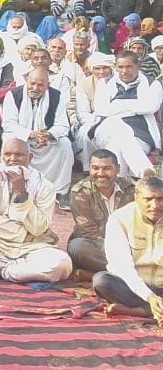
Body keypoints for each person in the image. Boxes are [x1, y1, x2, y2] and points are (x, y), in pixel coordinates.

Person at [0, 137, 73, 284]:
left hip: (33, 245)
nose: (13, 159)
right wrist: (22, 233)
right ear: (2, 157)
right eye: (8, 154)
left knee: (62, 264)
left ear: (30, 158)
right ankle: (22, 270)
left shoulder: (45, 186)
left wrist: (22, 194)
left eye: (19, 155)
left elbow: (40, 228)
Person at [1, 68, 75, 210]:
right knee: (8, 139)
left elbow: (63, 126)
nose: (35, 88)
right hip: (22, 138)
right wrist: (30, 134)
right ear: (27, 81)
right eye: (32, 83)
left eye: (40, 85)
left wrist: (48, 135)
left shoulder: (56, 96)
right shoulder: (13, 95)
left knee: (64, 144)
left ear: (47, 85)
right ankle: (12, 186)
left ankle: (61, 192)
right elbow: (8, 124)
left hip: (45, 140)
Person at [95, 176, 163, 324]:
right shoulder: (119, 219)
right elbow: (122, 267)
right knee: (102, 281)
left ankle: (139, 311)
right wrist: (150, 297)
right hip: (136, 288)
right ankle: (152, 308)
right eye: (148, 199)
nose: (155, 205)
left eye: (160, 199)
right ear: (136, 198)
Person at [89, 51, 162, 179]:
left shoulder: (153, 84)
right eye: (120, 67)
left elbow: (150, 107)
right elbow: (101, 109)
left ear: (138, 66)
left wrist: (116, 104)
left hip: (140, 132)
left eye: (128, 67)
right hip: (107, 129)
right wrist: (135, 106)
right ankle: (145, 173)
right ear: (116, 67)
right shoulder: (104, 83)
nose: (124, 71)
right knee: (120, 130)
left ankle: (119, 186)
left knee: (119, 143)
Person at [68, 149, 136, 280]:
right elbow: (87, 232)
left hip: (130, 245)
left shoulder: (131, 190)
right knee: (77, 247)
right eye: (95, 168)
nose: (100, 174)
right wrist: (120, 252)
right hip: (99, 247)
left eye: (106, 168)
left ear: (117, 169)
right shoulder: (80, 191)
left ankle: (104, 275)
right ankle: (130, 273)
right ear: (89, 169)